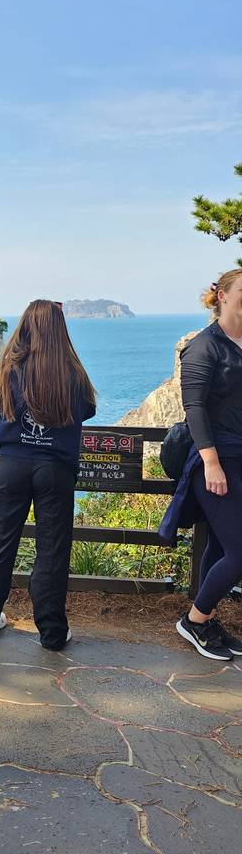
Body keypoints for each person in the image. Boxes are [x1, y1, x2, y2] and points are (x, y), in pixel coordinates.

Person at [0, 300, 96, 650]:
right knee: (52, 549)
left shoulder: (9, 368)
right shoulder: (71, 372)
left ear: (25, 325)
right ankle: (52, 632)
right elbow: (88, 408)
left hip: (12, 465)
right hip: (54, 470)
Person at [160, 269, 242, 660]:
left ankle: (205, 620)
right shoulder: (205, 346)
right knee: (240, 551)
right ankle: (193, 621)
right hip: (214, 461)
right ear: (222, 296)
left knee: (223, 544)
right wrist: (211, 463)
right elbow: (193, 407)